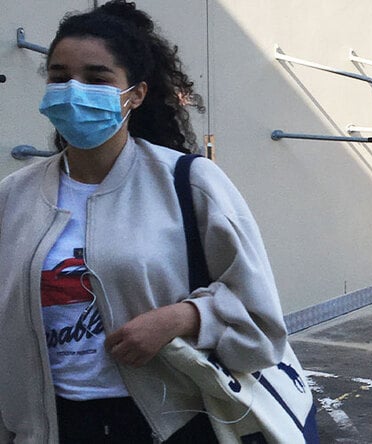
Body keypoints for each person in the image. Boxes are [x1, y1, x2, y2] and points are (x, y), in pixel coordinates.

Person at [0, 1, 288, 442]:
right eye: (60, 77)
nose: (74, 91)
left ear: (135, 93)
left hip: (168, 422)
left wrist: (184, 317)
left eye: (96, 78)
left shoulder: (190, 182)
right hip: (50, 422)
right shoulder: (14, 195)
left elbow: (261, 319)